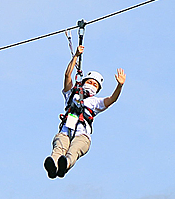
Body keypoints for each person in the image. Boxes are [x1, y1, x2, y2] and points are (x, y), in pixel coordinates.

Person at [44, 45, 125, 178]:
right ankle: (53, 166)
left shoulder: (95, 102)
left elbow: (112, 99)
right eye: (90, 82)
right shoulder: (71, 94)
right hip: (65, 131)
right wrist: (76, 56)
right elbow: (67, 75)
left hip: (82, 136)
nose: (91, 85)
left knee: (73, 151)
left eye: (95, 85)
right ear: (84, 82)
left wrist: (119, 85)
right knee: (59, 147)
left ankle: (65, 165)